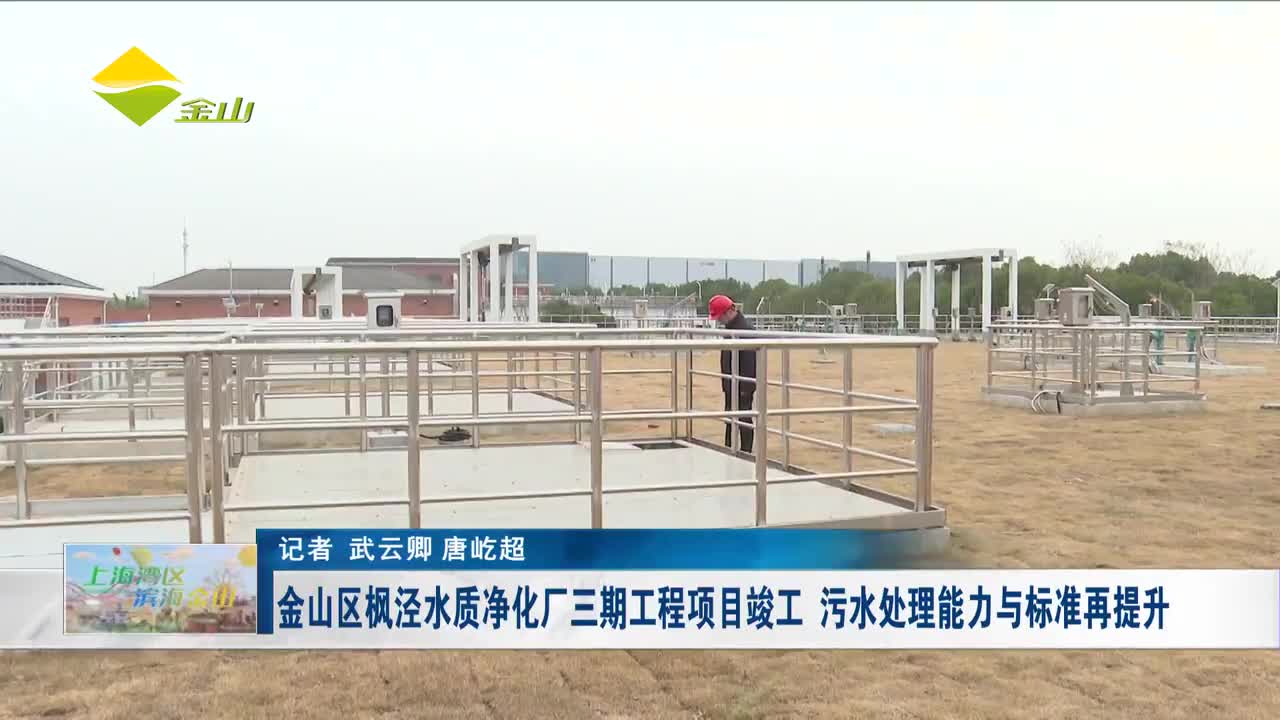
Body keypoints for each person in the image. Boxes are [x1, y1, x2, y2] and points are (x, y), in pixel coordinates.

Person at [708, 294, 756, 454]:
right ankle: (730, 448)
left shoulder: (745, 330)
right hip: (731, 382)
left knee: (743, 417)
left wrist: (746, 388)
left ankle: (745, 451)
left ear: (728, 311)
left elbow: (750, 362)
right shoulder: (731, 328)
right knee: (730, 417)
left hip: (742, 384)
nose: (719, 320)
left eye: (720, 317)